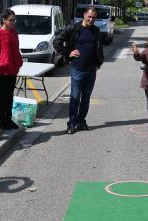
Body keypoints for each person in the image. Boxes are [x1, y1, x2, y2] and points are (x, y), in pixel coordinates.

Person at [53, 6, 104, 134]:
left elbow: (98, 48)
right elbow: (56, 42)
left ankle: (81, 121)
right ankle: (71, 124)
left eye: (94, 17)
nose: (91, 19)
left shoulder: (96, 30)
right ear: (84, 15)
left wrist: (99, 62)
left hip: (91, 70)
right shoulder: (74, 28)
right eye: (89, 17)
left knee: (86, 98)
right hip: (77, 69)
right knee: (75, 98)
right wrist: (68, 53)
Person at [0, 9, 23, 130]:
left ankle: (8, 119)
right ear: (4, 20)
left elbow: (16, 49)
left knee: (10, 94)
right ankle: (2, 120)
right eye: (10, 20)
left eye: (14, 20)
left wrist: (19, 61)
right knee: (4, 94)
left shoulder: (14, 32)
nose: (13, 22)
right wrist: (0, 62)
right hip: (3, 69)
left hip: (13, 68)